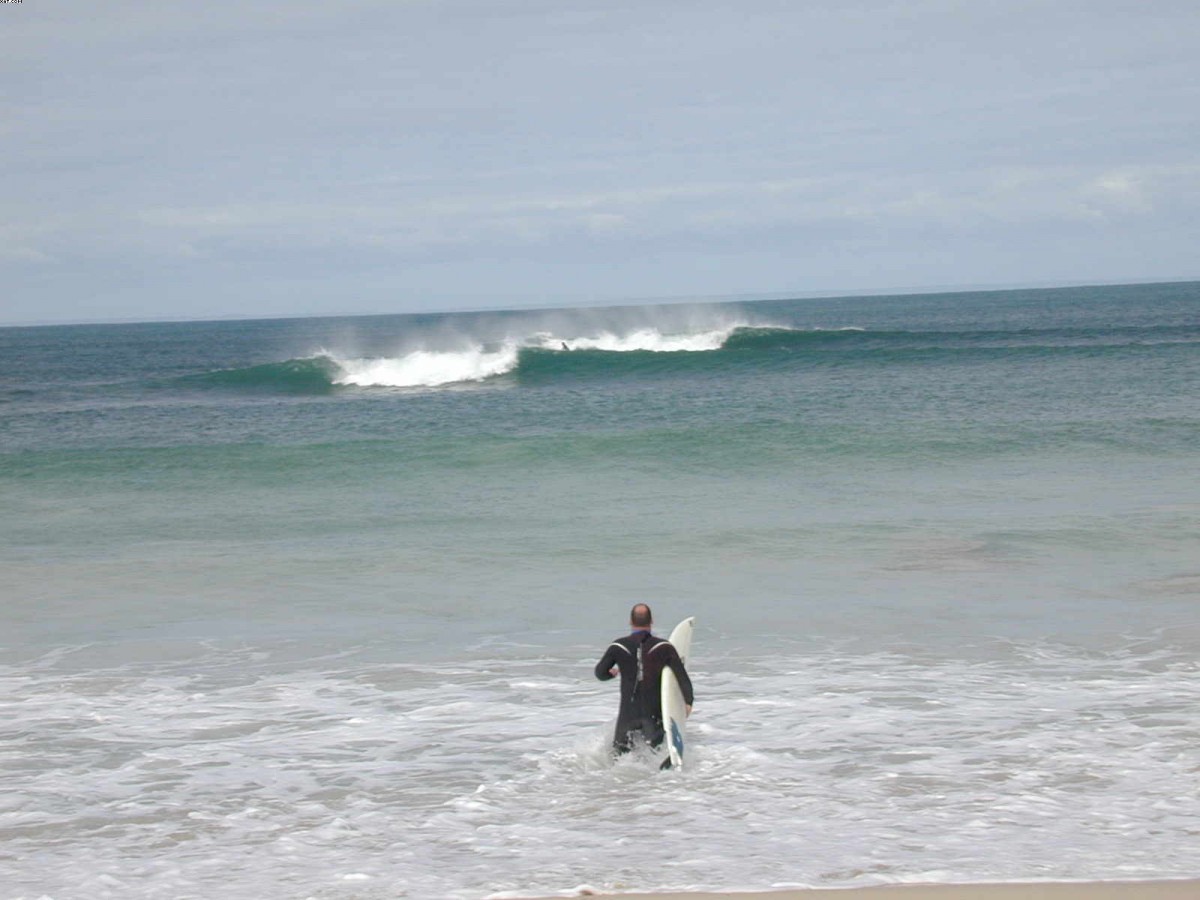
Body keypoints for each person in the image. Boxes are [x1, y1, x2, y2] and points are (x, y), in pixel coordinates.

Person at [594, 603, 693, 756]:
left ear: (630, 622)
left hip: (627, 716)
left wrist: (611, 674)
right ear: (651, 621)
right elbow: (682, 678)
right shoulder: (664, 647)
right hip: (653, 716)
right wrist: (688, 702)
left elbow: (600, 673)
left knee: (618, 761)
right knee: (653, 759)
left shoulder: (618, 646)